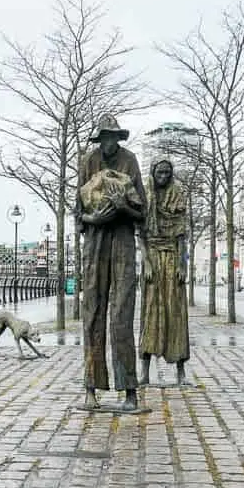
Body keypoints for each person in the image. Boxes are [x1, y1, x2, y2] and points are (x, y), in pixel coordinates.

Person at [75, 114, 147, 410]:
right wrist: (92, 218)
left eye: (112, 137)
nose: (108, 142)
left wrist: (123, 209)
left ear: (118, 138)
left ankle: (129, 389)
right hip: (95, 242)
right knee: (92, 312)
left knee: (121, 314)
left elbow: (143, 212)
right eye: (103, 136)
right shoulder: (89, 160)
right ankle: (91, 387)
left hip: (122, 242)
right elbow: (78, 210)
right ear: (99, 138)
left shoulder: (130, 161)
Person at [139, 159, 190, 386]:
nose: (163, 175)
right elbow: (141, 235)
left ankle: (181, 372)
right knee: (150, 313)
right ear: (153, 172)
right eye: (160, 172)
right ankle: (144, 373)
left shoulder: (177, 194)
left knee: (176, 312)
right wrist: (147, 263)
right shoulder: (145, 194)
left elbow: (182, 236)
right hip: (152, 258)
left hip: (171, 257)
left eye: (167, 172)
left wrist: (182, 265)